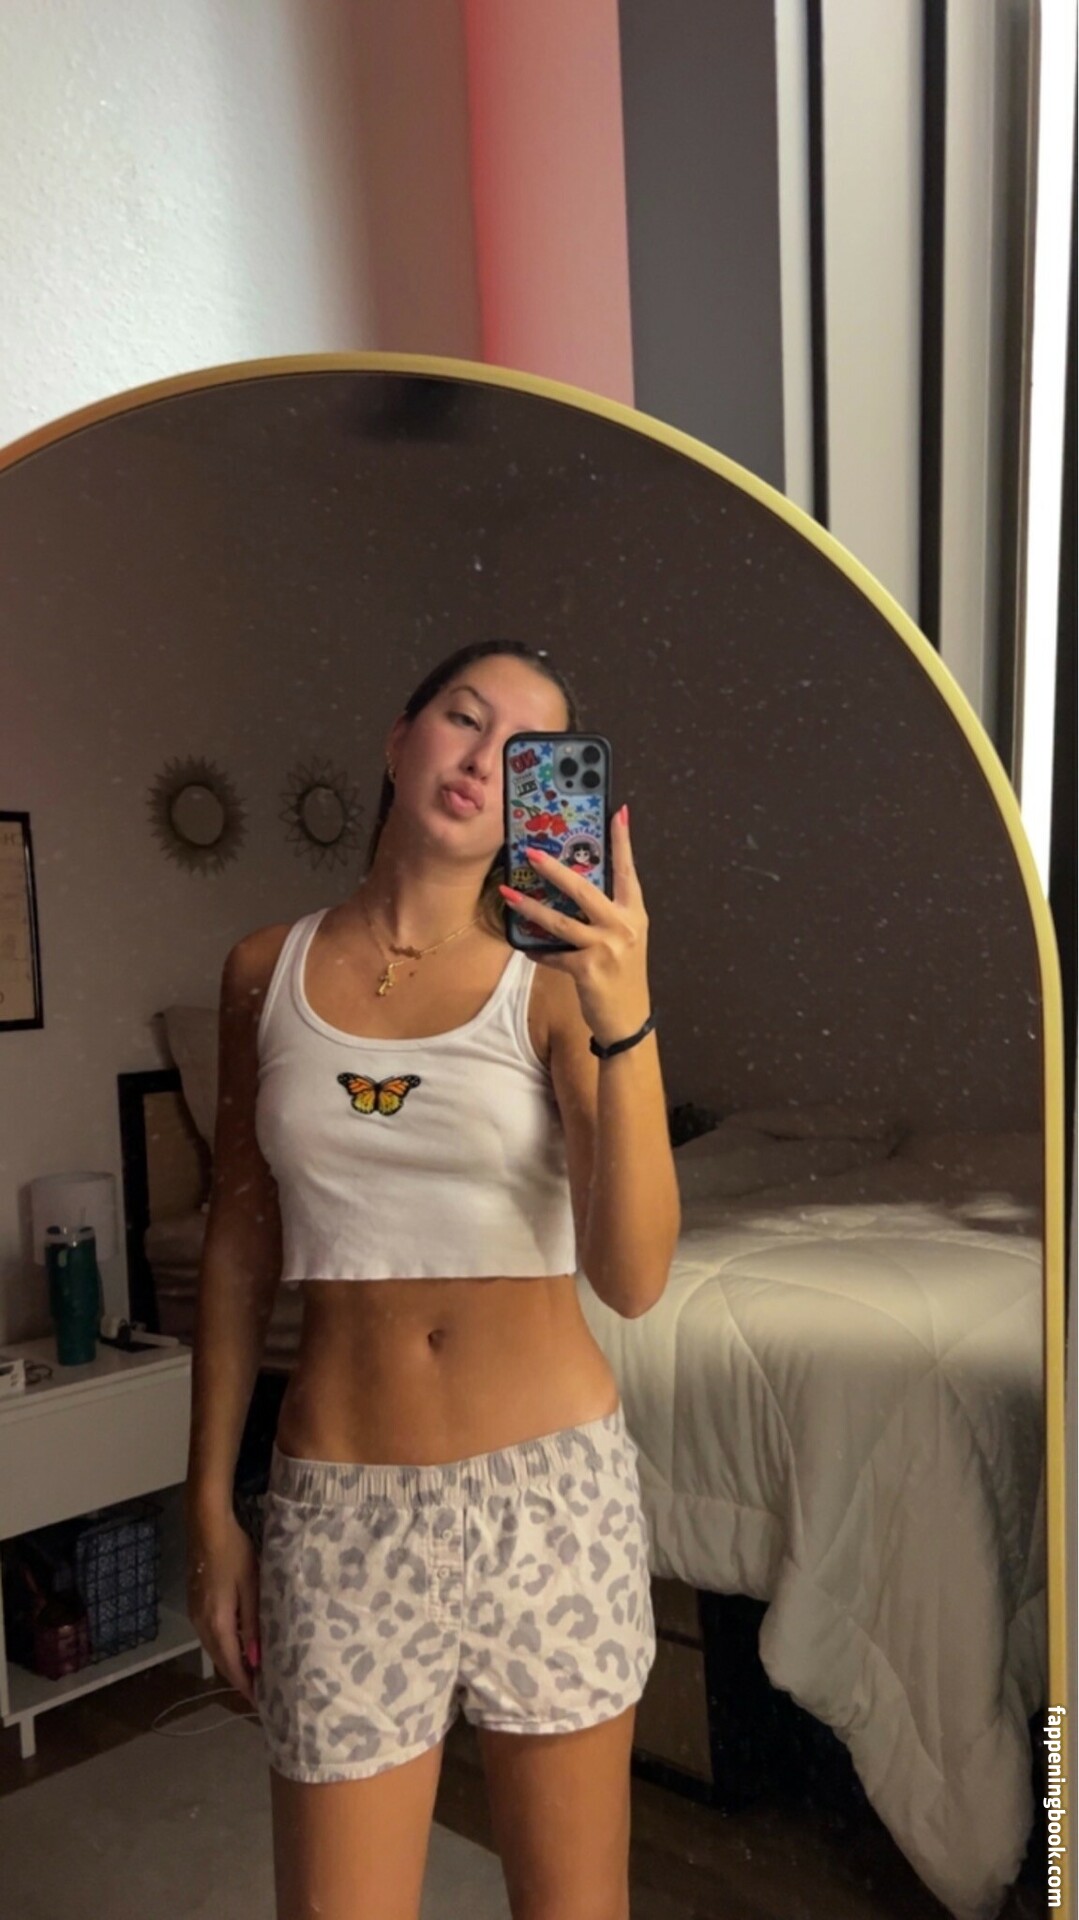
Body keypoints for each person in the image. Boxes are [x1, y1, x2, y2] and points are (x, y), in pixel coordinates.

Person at [185, 639, 681, 1920]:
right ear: (398, 738)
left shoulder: (555, 985)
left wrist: (624, 1016)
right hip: (338, 1509)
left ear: (546, 801)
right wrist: (208, 1505)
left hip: (548, 1503)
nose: (482, 761)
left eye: (526, 753)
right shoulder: (262, 970)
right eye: (463, 719)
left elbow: (632, 1279)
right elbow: (238, 1243)